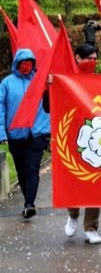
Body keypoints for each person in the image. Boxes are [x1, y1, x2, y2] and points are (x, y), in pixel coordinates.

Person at [0, 49, 50, 219]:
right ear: (17, 63)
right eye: (23, 61)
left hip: (37, 133)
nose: (26, 65)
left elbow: (51, 101)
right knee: (22, 170)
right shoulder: (6, 83)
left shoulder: (40, 81)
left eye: (30, 61)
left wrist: (51, 83)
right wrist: (1, 133)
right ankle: (28, 200)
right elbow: (1, 109)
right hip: (16, 134)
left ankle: (30, 204)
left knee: (32, 168)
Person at [64, 44, 101, 244]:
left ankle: (91, 227)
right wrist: (51, 87)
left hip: (96, 138)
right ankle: (72, 214)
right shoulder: (65, 79)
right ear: (77, 58)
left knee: (95, 182)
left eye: (95, 58)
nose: (92, 62)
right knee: (72, 179)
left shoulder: (100, 80)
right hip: (71, 137)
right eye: (89, 58)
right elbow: (48, 106)